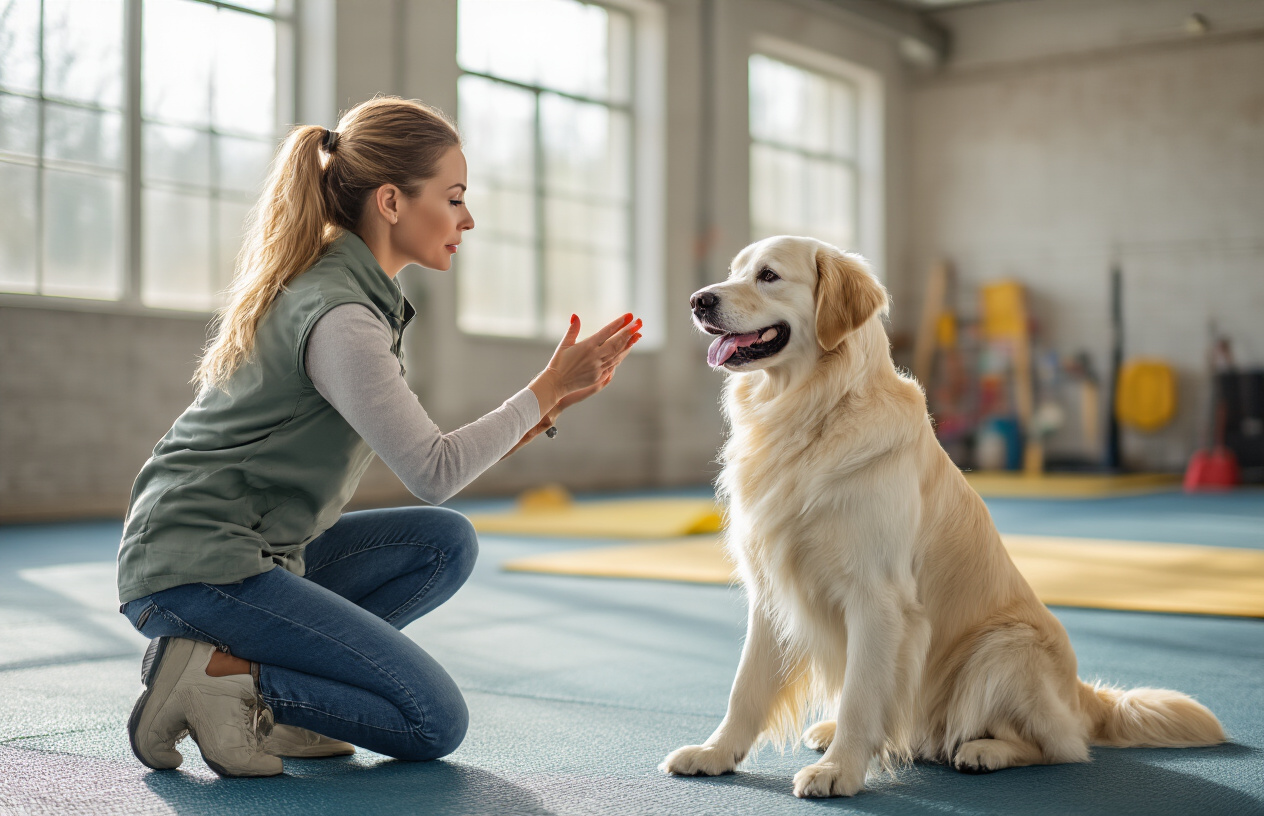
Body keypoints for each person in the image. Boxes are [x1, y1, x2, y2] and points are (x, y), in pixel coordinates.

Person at [117, 96, 641, 777]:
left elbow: (432, 470)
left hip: (242, 557)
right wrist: (544, 388)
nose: (468, 219)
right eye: (453, 198)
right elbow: (435, 470)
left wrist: (552, 398)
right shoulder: (343, 316)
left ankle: (262, 697)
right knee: (431, 720)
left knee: (440, 543)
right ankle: (224, 681)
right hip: (198, 570)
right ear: (392, 202)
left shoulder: (354, 294)